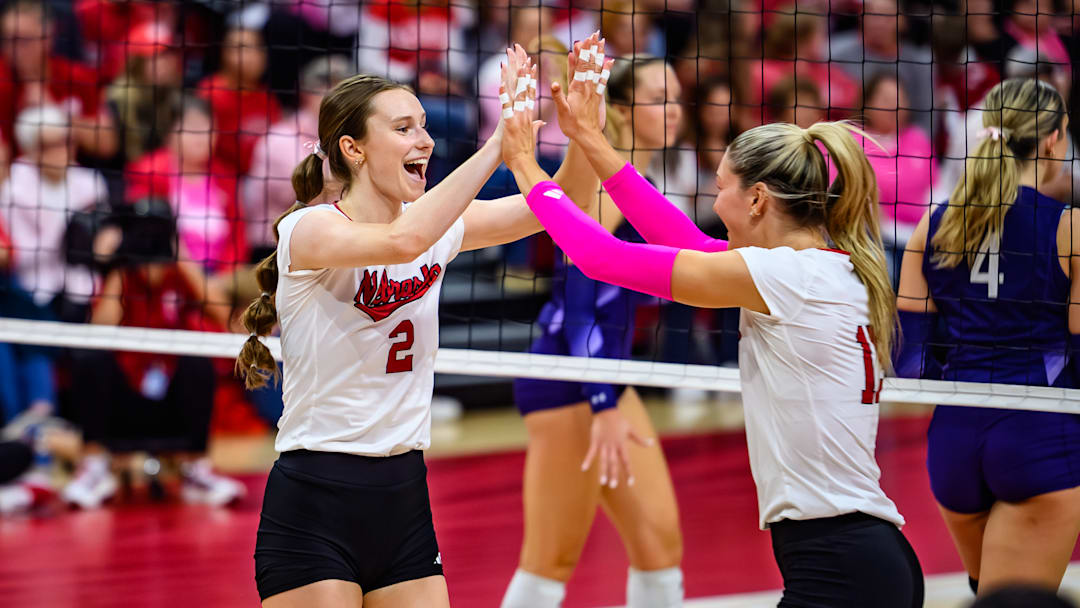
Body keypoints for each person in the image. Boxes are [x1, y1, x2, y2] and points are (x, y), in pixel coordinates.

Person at [499, 46, 923, 607]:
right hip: (853, 556)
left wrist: (526, 165)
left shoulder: (785, 276)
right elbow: (689, 244)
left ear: (757, 199)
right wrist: (594, 143)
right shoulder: (815, 267)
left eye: (722, 186)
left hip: (841, 564)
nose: (713, 198)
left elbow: (601, 258)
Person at [239, 49, 598, 606]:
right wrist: (497, 146)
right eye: (404, 128)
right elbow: (403, 243)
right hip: (317, 496)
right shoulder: (310, 230)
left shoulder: (434, 226)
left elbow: (554, 208)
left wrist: (583, 134)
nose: (424, 141)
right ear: (352, 149)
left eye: (425, 126)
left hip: (404, 493)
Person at [502, 41, 684, 608]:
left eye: (678, 96)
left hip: (604, 372)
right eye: (661, 98)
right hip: (570, 376)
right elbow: (582, 298)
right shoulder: (605, 188)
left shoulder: (638, 177)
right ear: (623, 111)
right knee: (551, 556)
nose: (676, 108)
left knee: (659, 543)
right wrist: (602, 401)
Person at [895, 78, 1080, 595]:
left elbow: (910, 362)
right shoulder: (1071, 228)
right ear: (1052, 140)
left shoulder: (931, 227)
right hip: (1038, 434)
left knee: (991, 594)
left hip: (954, 443)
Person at [62, 198, 244, 510]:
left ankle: (194, 470)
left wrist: (184, 260)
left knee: (198, 359)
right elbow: (99, 327)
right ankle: (94, 469)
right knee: (92, 362)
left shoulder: (178, 272)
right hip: (126, 397)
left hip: (168, 393)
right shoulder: (123, 275)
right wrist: (116, 269)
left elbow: (220, 311)